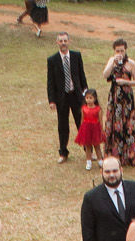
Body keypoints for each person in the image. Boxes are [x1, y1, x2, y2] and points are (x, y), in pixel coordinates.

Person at [45, 33, 88, 165]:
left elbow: (82, 75)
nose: (63, 43)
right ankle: (63, 152)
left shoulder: (76, 56)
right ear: (57, 42)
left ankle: (88, 150)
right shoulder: (52, 60)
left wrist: (85, 94)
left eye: (65, 40)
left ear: (69, 41)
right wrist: (52, 100)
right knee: (63, 125)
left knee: (81, 123)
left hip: (76, 95)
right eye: (61, 41)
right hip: (62, 97)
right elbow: (50, 81)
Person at [101, 38, 135, 167]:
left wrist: (125, 82)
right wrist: (112, 63)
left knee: (127, 125)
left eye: (122, 50)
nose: (120, 53)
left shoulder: (131, 63)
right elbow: (105, 75)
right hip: (114, 97)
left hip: (127, 99)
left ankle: (128, 156)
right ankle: (114, 154)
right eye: (117, 51)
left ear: (126, 50)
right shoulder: (112, 61)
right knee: (113, 124)